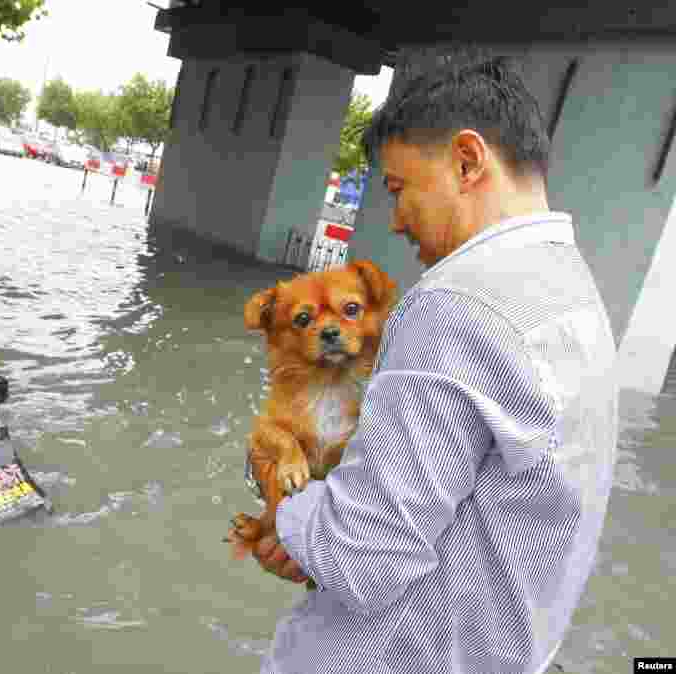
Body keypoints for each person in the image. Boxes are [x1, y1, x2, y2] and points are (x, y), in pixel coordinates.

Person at [250, 57, 618, 674]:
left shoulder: (454, 304)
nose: (393, 219)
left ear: (467, 161)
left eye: (397, 188)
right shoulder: (575, 289)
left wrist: (283, 504)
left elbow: (359, 552)